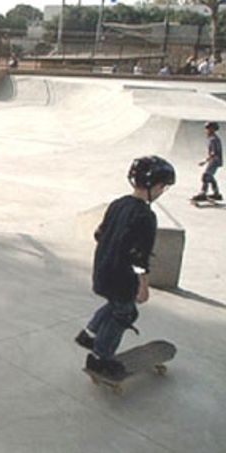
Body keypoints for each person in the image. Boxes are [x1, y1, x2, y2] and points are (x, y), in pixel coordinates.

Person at [75, 156, 176, 378]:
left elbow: (99, 234)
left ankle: (89, 333)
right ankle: (100, 358)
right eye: (163, 187)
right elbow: (139, 258)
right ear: (155, 186)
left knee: (116, 305)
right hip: (121, 277)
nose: (162, 191)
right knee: (124, 313)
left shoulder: (118, 203)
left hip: (102, 270)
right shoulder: (146, 216)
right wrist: (144, 286)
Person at [191, 122, 222, 202]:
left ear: (212, 129)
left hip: (215, 160)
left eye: (208, 129)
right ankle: (216, 193)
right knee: (210, 176)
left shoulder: (213, 139)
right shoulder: (213, 138)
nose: (206, 130)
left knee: (205, 176)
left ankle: (203, 193)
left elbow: (214, 153)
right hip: (215, 160)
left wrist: (205, 161)